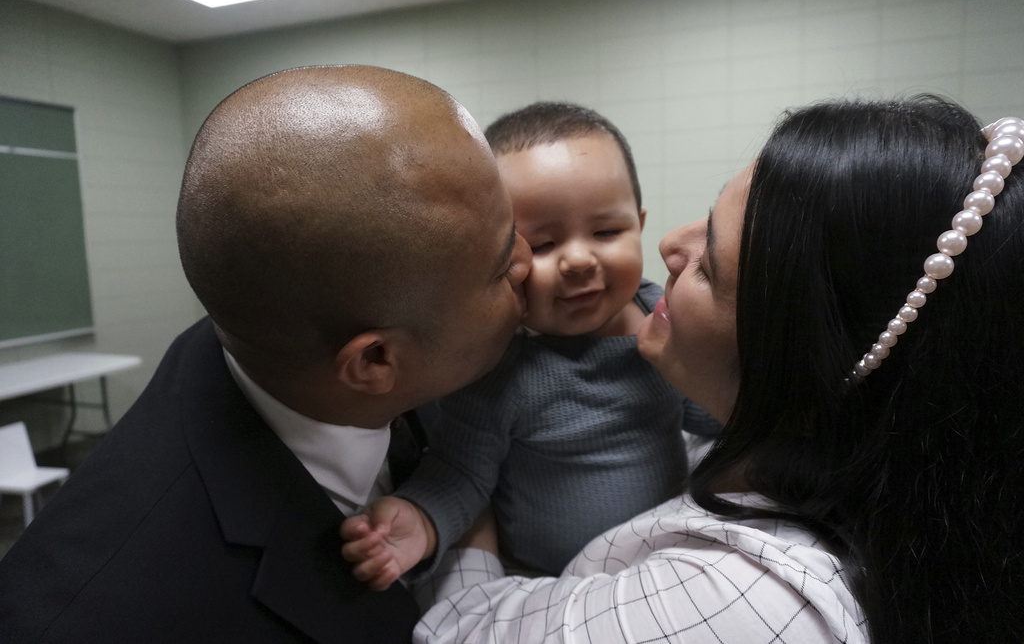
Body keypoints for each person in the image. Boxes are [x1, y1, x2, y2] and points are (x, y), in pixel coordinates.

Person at [409, 95, 1024, 643]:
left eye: (709, 265)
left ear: (793, 357)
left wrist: (473, 522)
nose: (671, 249)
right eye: (540, 245)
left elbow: (459, 626)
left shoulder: (745, 604)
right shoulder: (848, 461)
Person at [0, 65, 531, 643]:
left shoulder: (293, 326)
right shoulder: (99, 615)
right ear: (374, 362)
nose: (532, 262)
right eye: (503, 266)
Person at [342, 102, 717, 588]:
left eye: (606, 231)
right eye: (541, 245)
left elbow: (709, 406)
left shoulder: (661, 319)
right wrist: (419, 521)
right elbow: (460, 473)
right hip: (548, 580)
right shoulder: (497, 366)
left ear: (639, 224)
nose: (579, 259)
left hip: (667, 555)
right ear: (500, 261)